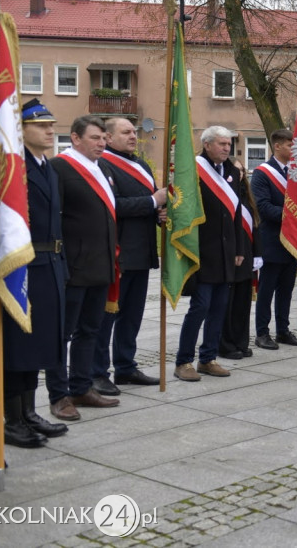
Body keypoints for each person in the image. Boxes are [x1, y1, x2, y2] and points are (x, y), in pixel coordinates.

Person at [0, 99, 69, 444]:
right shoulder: (12, 168)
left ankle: (28, 411)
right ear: (18, 130)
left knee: (39, 345)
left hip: (50, 266)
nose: (50, 130)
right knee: (17, 347)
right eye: (41, 125)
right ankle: (12, 421)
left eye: (51, 125)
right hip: (23, 267)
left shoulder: (46, 166)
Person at [48, 115, 120, 412]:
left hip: (100, 265)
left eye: (104, 138)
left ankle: (81, 387)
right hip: (73, 267)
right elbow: (54, 220)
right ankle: (58, 395)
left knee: (90, 330)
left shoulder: (102, 167)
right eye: (95, 138)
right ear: (76, 138)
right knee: (61, 334)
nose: (101, 144)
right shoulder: (60, 167)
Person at [92, 117, 165, 396]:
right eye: (126, 132)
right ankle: (98, 372)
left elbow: (152, 201)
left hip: (142, 252)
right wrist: (152, 202)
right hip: (118, 253)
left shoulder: (141, 164)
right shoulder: (103, 164)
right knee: (107, 316)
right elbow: (113, 205)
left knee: (132, 316)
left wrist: (160, 213)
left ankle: (126, 366)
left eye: (134, 131)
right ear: (108, 138)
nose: (133, 136)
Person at [174, 126, 245, 380]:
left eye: (229, 144)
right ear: (207, 145)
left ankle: (208, 358)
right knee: (200, 306)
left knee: (219, 307)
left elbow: (236, 212)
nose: (227, 148)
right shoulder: (193, 170)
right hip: (202, 250)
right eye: (222, 144)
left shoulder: (232, 173)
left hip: (226, 252)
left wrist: (239, 248)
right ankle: (183, 361)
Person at [251, 129, 297, 350]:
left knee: (286, 290)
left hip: (292, 242)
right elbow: (262, 207)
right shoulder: (263, 173)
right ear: (278, 146)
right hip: (272, 241)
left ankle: (283, 330)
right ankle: (262, 333)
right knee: (266, 290)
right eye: (291, 145)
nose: (294, 149)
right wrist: (292, 215)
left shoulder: (296, 173)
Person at [219, 158, 260, 360]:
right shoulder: (225, 195)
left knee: (243, 304)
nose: (240, 174)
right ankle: (226, 344)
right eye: (236, 170)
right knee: (228, 304)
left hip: (248, 257)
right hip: (230, 258)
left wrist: (258, 254)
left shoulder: (247, 197)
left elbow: (256, 228)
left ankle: (241, 342)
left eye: (242, 170)